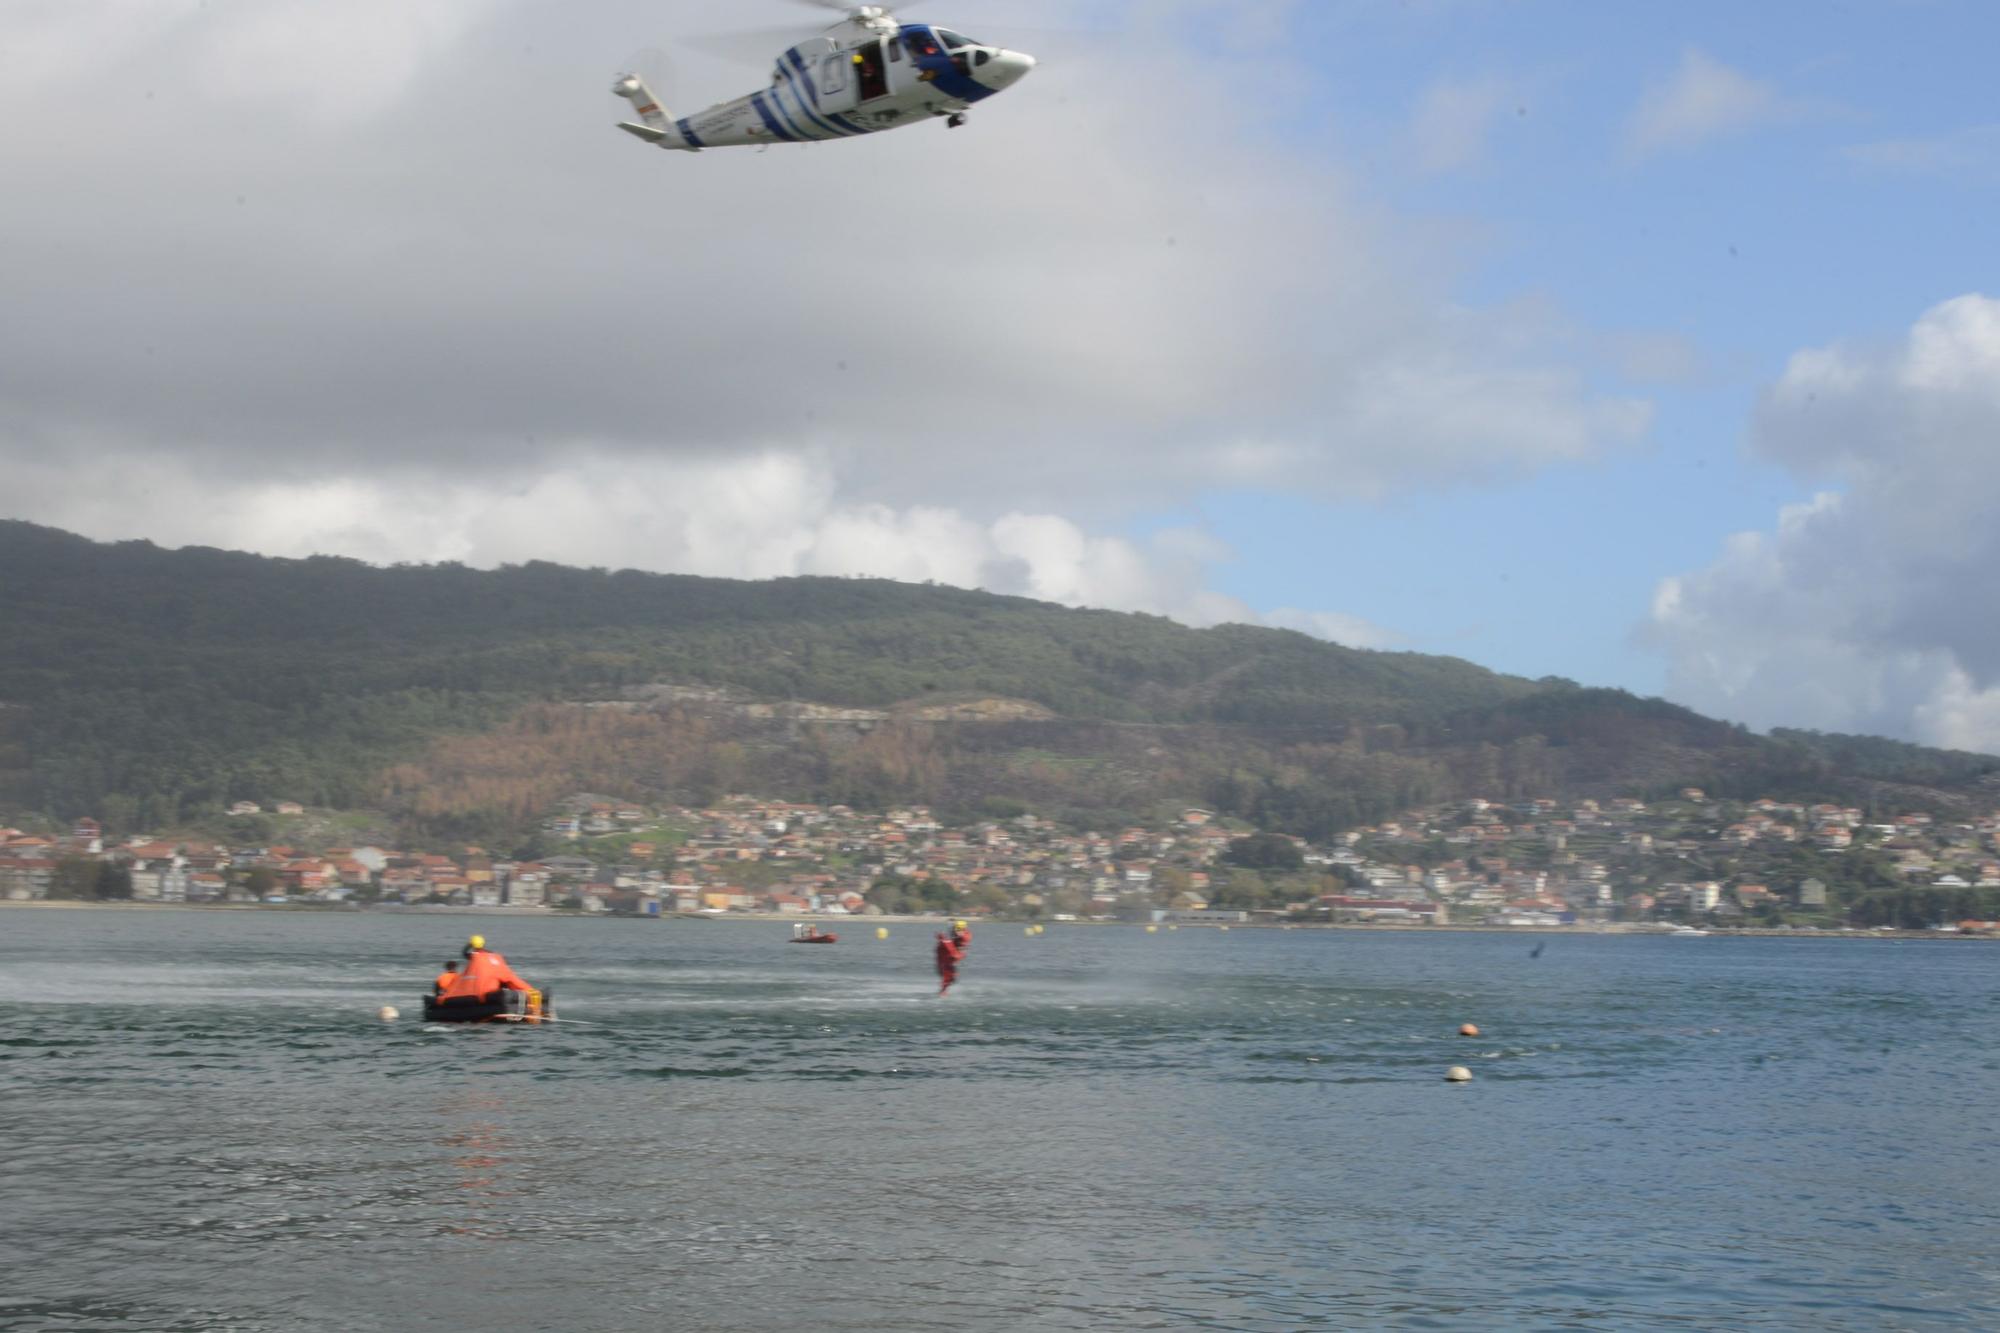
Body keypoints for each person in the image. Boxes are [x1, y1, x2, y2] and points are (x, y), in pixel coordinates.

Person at [934, 921, 970, 996]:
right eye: (956, 929)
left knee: (951, 975)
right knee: (946, 973)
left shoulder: (965, 936)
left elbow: (958, 949)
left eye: (959, 929)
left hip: (953, 954)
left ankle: (944, 990)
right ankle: (943, 991)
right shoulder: (951, 936)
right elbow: (946, 942)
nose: (957, 931)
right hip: (945, 955)